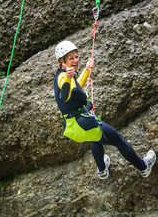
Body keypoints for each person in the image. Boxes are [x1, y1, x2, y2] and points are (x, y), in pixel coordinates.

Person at [54, 40, 156, 179]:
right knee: (119, 140)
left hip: (73, 126)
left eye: (76, 56)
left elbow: (77, 87)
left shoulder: (62, 75)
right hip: (82, 123)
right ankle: (143, 167)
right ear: (61, 60)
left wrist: (87, 70)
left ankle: (102, 171)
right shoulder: (63, 77)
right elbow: (64, 96)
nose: (75, 60)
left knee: (96, 139)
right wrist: (68, 78)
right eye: (71, 58)